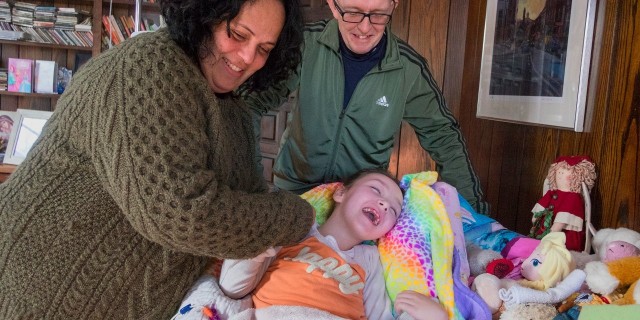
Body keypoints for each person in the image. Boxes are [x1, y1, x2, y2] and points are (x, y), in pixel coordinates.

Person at [0, 0, 315, 318]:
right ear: (203, 16)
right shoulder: (152, 64)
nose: (248, 58)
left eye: (264, 49)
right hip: (32, 296)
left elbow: (248, 212)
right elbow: (183, 214)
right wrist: (299, 216)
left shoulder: (234, 112)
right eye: (237, 34)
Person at [241, 0, 489, 216]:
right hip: (294, 195)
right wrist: (250, 183)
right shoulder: (306, 44)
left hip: (360, 206)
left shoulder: (409, 69)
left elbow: (444, 136)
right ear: (333, 5)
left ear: (394, 4)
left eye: (379, 14)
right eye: (353, 12)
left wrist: (472, 216)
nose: (365, 27)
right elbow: (250, 104)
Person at [208, 168, 447, 320]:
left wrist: (434, 318)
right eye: (375, 189)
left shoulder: (370, 259)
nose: (384, 204)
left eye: (394, 209)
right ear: (341, 193)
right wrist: (254, 247)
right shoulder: (294, 230)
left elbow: (379, 316)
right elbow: (232, 290)